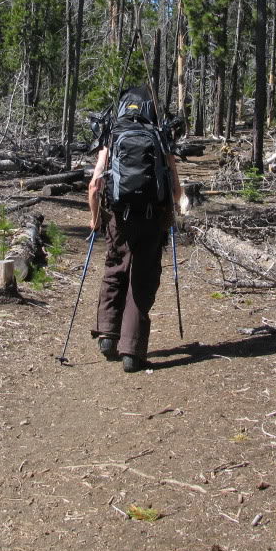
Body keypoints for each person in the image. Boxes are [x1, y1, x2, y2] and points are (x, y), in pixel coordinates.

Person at [88, 87, 182, 373]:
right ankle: (132, 351)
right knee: (142, 279)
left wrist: (95, 218)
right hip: (152, 219)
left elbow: (94, 185)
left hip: (119, 216)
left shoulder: (112, 137)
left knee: (115, 269)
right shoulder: (161, 138)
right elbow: (176, 190)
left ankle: (107, 333)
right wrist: (171, 210)